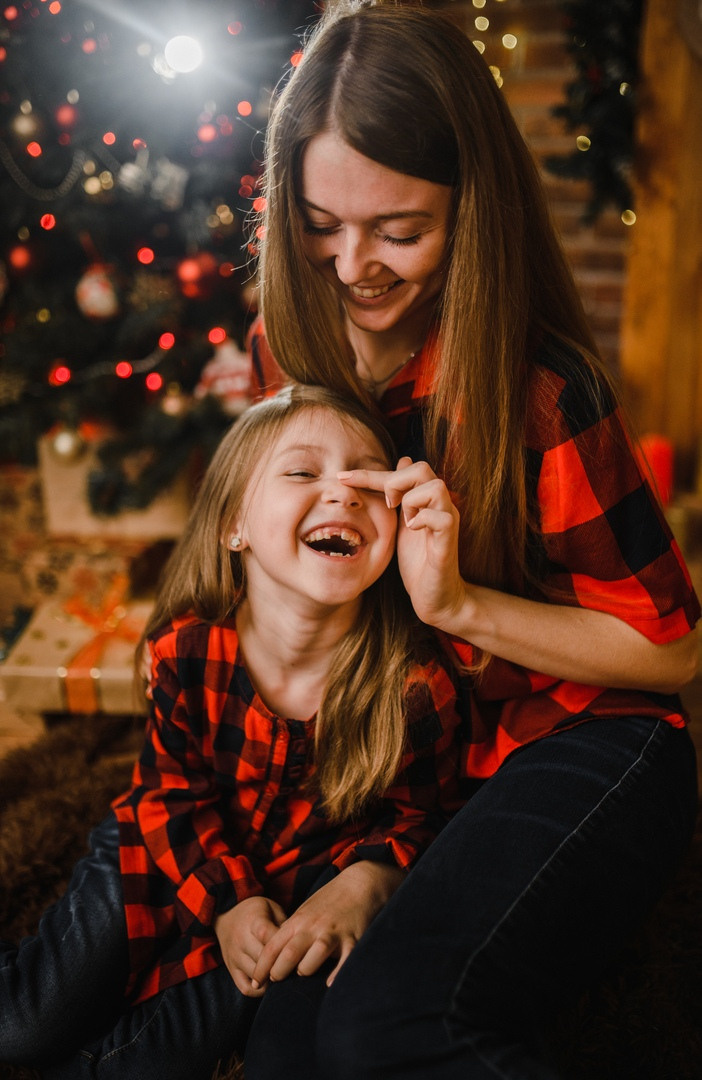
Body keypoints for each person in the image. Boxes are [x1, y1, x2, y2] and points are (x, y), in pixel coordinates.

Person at [240, 2, 701, 1078]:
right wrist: (356, 856)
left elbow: (674, 652)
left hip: (581, 735)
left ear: (473, 210)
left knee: (388, 1027)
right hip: (418, 753)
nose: (355, 266)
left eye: (401, 231)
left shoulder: (543, 390)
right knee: (285, 1046)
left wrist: (456, 606)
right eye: (321, 223)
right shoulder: (280, 347)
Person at [0, 385, 465, 1080]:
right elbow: (168, 791)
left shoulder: (411, 686)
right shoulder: (185, 651)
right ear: (233, 524)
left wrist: (369, 877)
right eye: (304, 472)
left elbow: (423, 819)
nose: (342, 494)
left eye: (367, 479)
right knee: (20, 1026)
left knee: (136, 1067)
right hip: (164, 857)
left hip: (288, 908)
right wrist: (226, 898)